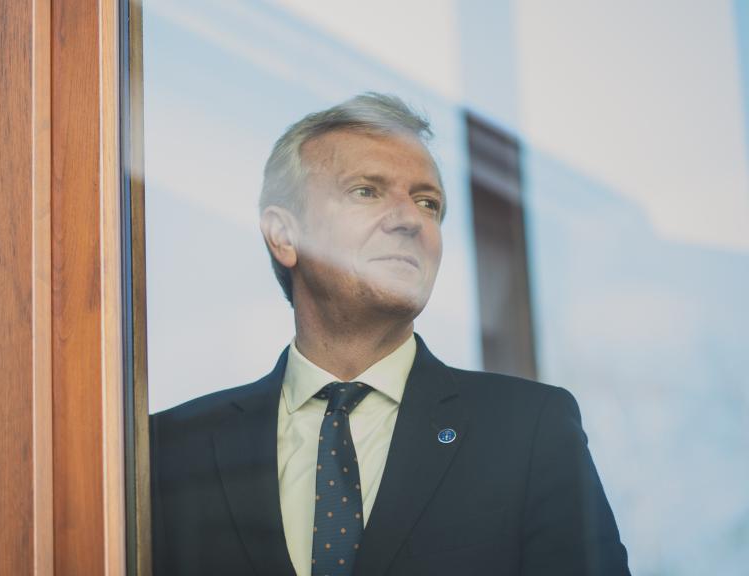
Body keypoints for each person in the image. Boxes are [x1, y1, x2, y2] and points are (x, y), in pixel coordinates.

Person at [150, 93, 630, 576]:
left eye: (427, 202)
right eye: (366, 191)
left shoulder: (529, 430)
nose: (409, 219)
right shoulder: (170, 449)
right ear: (284, 235)